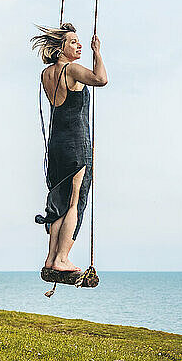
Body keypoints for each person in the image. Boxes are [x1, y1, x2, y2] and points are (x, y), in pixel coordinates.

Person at [31, 23, 108, 272]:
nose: (80, 44)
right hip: (76, 144)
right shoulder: (72, 70)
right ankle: (62, 259)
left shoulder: (46, 74)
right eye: (73, 41)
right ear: (60, 48)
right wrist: (97, 52)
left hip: (56, 145)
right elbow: (101, 79)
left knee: (58, 203)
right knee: (75, 202)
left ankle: (51, 258)